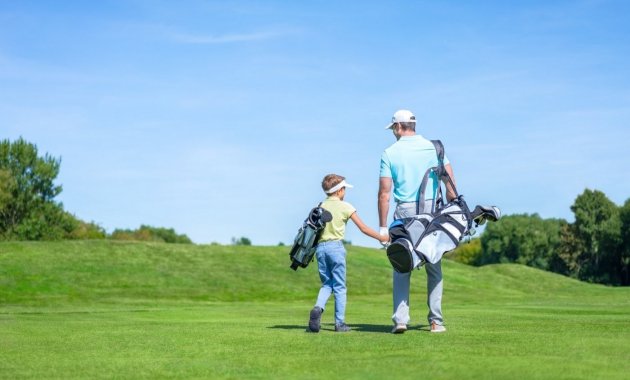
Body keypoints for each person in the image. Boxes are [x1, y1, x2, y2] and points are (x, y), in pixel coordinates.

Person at [378, 109, 457, 334]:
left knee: (402, 264)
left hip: (405, 213)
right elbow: (450, 184)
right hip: (431, 212)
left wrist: (383, 227)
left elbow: (384, 193)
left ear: (398, 127)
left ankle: (401, 321)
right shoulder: (434, 147)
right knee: (434, 265)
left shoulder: (389, 152)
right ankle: (436, 322)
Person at [308, 174, 389, 333]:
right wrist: (382, 237)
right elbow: (364, 228)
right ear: (339, 191)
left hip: (320, 249)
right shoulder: (346, 206)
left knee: (327, 284)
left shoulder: (320, 205)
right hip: (336, 248)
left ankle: (318, 307)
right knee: (339, 286)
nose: (345, 191)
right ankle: (340, 324)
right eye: (344, 188)